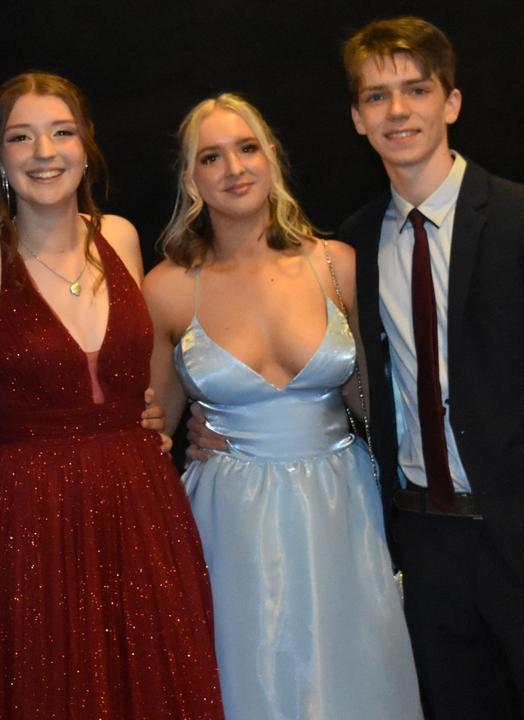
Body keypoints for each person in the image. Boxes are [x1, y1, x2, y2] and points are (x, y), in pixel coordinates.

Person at [341, 16, 524, 718]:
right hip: (425, 547)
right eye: (377, 97)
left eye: (416, 89)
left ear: (452, 102)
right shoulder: (347, 246)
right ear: (356, 118)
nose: (398, 110)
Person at [0, 72, 224, 719]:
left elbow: (151, 369)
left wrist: (197, 410)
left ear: (86, 148)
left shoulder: (118, 237)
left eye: (62, 132)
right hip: (28, 521)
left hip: (142, 504)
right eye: (21, 137)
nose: (44, 152)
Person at [146, 93, 421, 720]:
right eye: (211, 157)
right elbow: (150, 432)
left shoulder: (337, 265)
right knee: (247, 678)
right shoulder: (165, 289)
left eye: (247, 148)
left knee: (354, 676)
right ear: (191, 179)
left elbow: (372, 401)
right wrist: (186, 436)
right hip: (227, 519)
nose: (234, 168)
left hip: (340, 504)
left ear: (271, 159)